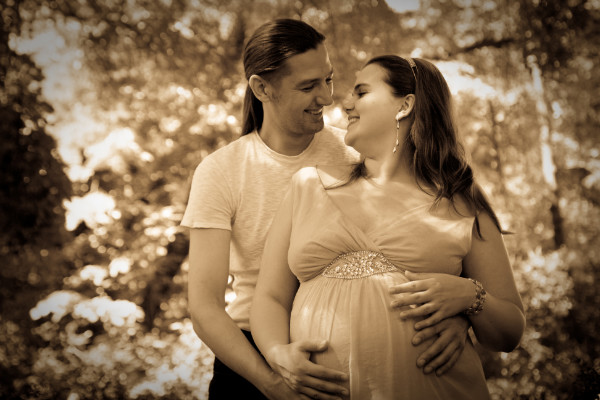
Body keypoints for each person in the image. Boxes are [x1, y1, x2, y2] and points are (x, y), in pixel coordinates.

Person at [182, 19, 473, 400]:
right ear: (262, 88)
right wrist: (272, 382)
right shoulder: (222, 171)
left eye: (329, 80)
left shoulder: (357, 151)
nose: (328, 98)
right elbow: (205, 307)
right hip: (250, 363)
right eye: (308, 87)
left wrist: (462, 317)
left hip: (352, 367)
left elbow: (435, 243)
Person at [251, 55, 526, 399]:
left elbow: (511, 331)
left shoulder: (460, 201)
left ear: (404, 105)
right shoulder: (308, 186)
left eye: (362, 92)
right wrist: (277, 353)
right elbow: (270, 297)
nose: (345, 104)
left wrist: (471, 298)